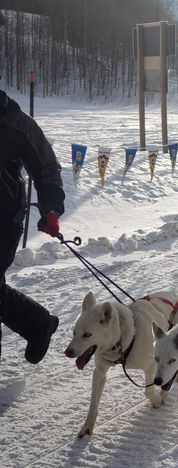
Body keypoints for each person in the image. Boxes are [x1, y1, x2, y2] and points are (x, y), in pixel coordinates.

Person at [0, 83, 65, 364]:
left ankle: (38, 324)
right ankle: (38, 324)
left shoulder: (15, 123)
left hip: (4, 219)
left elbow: (46, 167)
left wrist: (50, 209)